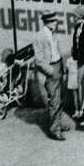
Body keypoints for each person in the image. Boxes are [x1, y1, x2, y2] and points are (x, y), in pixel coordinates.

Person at [32, 11, 69, 140]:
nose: (56, 23)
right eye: (53, 21)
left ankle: (58, 123)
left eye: (56, 21)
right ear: (46, 22)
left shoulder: (53, 34)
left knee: (60, 98)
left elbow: (56, 52)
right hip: (50, 70)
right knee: (55, 100)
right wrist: (51, 71)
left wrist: (61, 68)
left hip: (58, 66)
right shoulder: (39, 37)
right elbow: (39, 60)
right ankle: (55, 130)